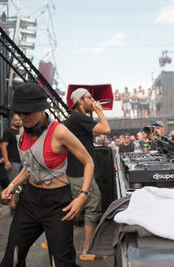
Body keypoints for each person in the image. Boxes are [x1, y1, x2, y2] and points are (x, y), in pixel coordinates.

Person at [0, 83, 94, 267]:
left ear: (42, 109)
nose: (22, 117)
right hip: (29, 201)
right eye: (20, 113)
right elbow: (29, 167)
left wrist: (83, 195)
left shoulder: (59, 131)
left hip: (58, 203)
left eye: (28, 112)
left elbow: (88, 161)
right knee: (11, 259)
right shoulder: (22, 132)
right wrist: (12, 186)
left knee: (61, 262)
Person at [64, 87, 110, 261]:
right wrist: (99, 110)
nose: (92, 100)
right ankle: (87, 251)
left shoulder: (75, 119)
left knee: (74, 209)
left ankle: (54, 241)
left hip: (75, 171)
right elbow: (106, 129)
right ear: (79, 101)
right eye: (89, 98)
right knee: (92, 205)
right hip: (79, 172)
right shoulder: (78, 118)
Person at [1, 113, 22, 213]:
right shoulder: (8, 131)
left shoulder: (23, 131)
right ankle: (12, 205)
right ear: (12, 121)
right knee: (14, 184)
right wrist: (6, 161)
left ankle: (16, 202)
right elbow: (3, 146)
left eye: (19, 120)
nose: (18, 121)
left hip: (22, 162)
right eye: (16, 120)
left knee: (20, 185)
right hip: (13, 162)